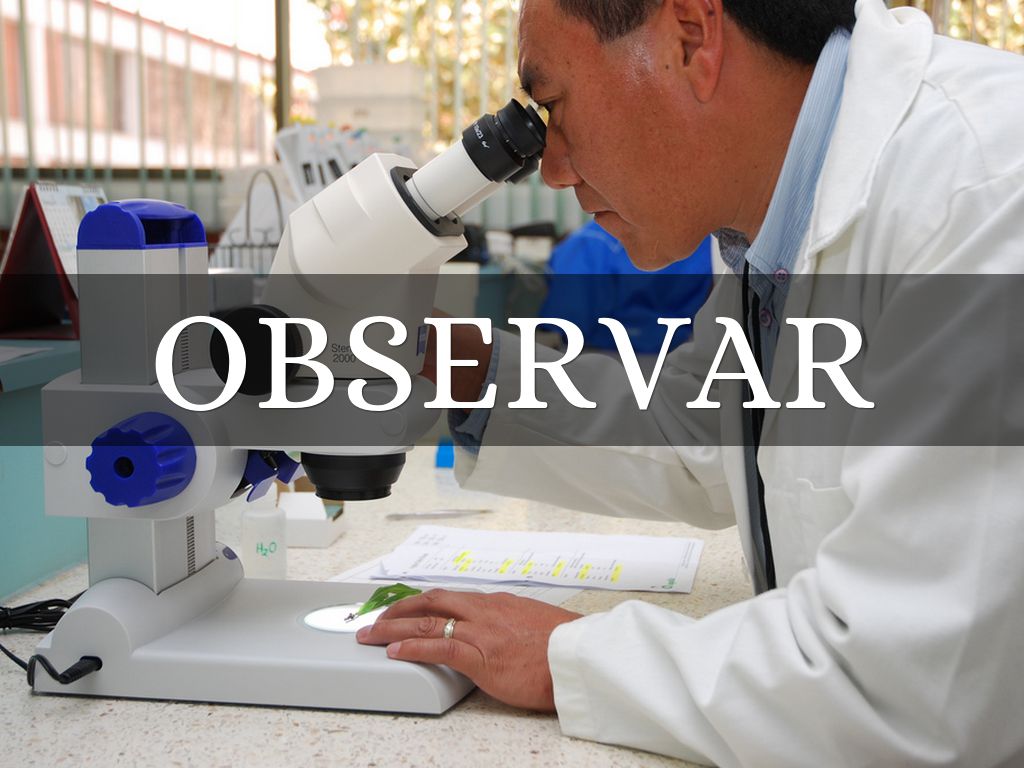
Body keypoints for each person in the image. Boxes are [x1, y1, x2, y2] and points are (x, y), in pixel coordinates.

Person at [358, 0, 1024, 764]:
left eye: (554, 106)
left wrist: (567, 657)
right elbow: (698, 426)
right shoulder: (769, 217)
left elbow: (912, 688)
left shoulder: (986, 189)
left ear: (691, 37)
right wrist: (444, 356)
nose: (554, 169)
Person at [540, 221, 713, 354]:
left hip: (605, 353)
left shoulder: (587, 242)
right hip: (678, 347)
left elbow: (569, 319)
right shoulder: (706, 241)